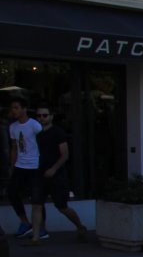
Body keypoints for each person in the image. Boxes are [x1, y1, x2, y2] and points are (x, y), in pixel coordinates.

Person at [31, 107, 89, 242]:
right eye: (38, 115)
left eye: (45, 115)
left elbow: (65, 155)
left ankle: (80, 226)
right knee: (36, 204)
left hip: (57, 175)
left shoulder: (58, 132)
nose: (41, 118)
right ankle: (35, 237)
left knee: (62, 206)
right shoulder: (35, 133)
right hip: (39, 173)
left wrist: (54, 169)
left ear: (51, 116)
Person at [8, 97, 41, 240]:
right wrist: (12, 166)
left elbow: (42, 144)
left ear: (24, 109)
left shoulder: (34, 125)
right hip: (20, 165)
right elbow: (14, 148)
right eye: (12, 108)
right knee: (12, 192)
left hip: (34, 165)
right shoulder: (13, 127)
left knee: (37, 197)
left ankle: (40, 228)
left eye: (16, 107)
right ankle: (24, 222)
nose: (13, 111)